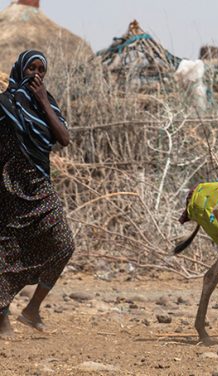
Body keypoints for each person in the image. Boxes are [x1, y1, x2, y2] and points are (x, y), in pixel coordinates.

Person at [0, 50, 74, 338]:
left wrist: (43, 101)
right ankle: (2, 316)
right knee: (7, 251)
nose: (36, 74)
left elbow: (64, 139)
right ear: (20, 69)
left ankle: (32, 310)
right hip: (8, 186)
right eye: (31, 68)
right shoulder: (4, 104)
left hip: (40, 185)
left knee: (64, 244)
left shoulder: (48, 103)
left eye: (41, 69)